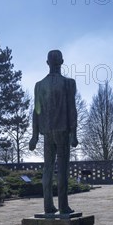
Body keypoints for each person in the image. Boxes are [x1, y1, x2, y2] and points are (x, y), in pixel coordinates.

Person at [29, 50, 78, 214]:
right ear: (62, 62)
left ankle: (48, 206)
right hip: (62, 131)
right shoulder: (68, 83)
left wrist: (34, 136)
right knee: (62, 169)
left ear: (47, 62)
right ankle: (63, 206)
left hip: (47, 132)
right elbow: (72, 109)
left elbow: (36, 112)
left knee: (48, 169)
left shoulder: (39, 85)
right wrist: (74, 133)